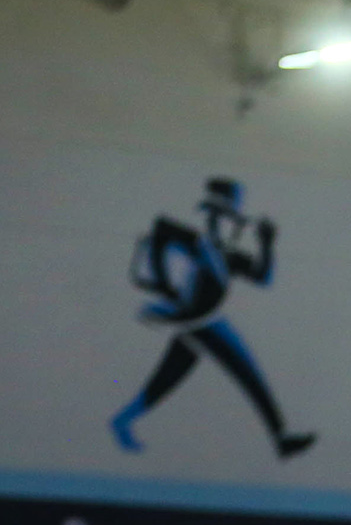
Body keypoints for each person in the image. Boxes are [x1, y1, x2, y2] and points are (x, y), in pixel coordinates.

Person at [110, 176, 315, 458]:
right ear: (213, 214)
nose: (231, 227)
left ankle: (122, 421)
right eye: (226, 218)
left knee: (167, 379)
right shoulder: (195, 240)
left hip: (199, 321)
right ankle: (281, 438)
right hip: (201, 323)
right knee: (247, 372)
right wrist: (170, 290)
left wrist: (267, 243)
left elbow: (263, 276)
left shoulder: (224, 254)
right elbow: (161, 227)